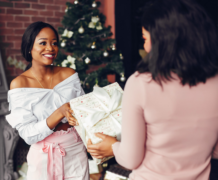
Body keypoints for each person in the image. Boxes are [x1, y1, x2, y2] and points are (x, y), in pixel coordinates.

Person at [86, 0, 218, 179]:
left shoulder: (141, 83)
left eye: (145, 38)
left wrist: (113, 146)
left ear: (162, 40)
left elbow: (130, 160)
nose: (145, 47)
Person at [6, 21, 89, 180]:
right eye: (43, 43)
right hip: (43, 157)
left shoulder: (69, 75)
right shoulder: (20, 84)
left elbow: (85, 112)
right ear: (29, 47)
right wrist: (59, 112)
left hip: (76, 151)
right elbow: (28, 135)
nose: (50, 48)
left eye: (54, 43)